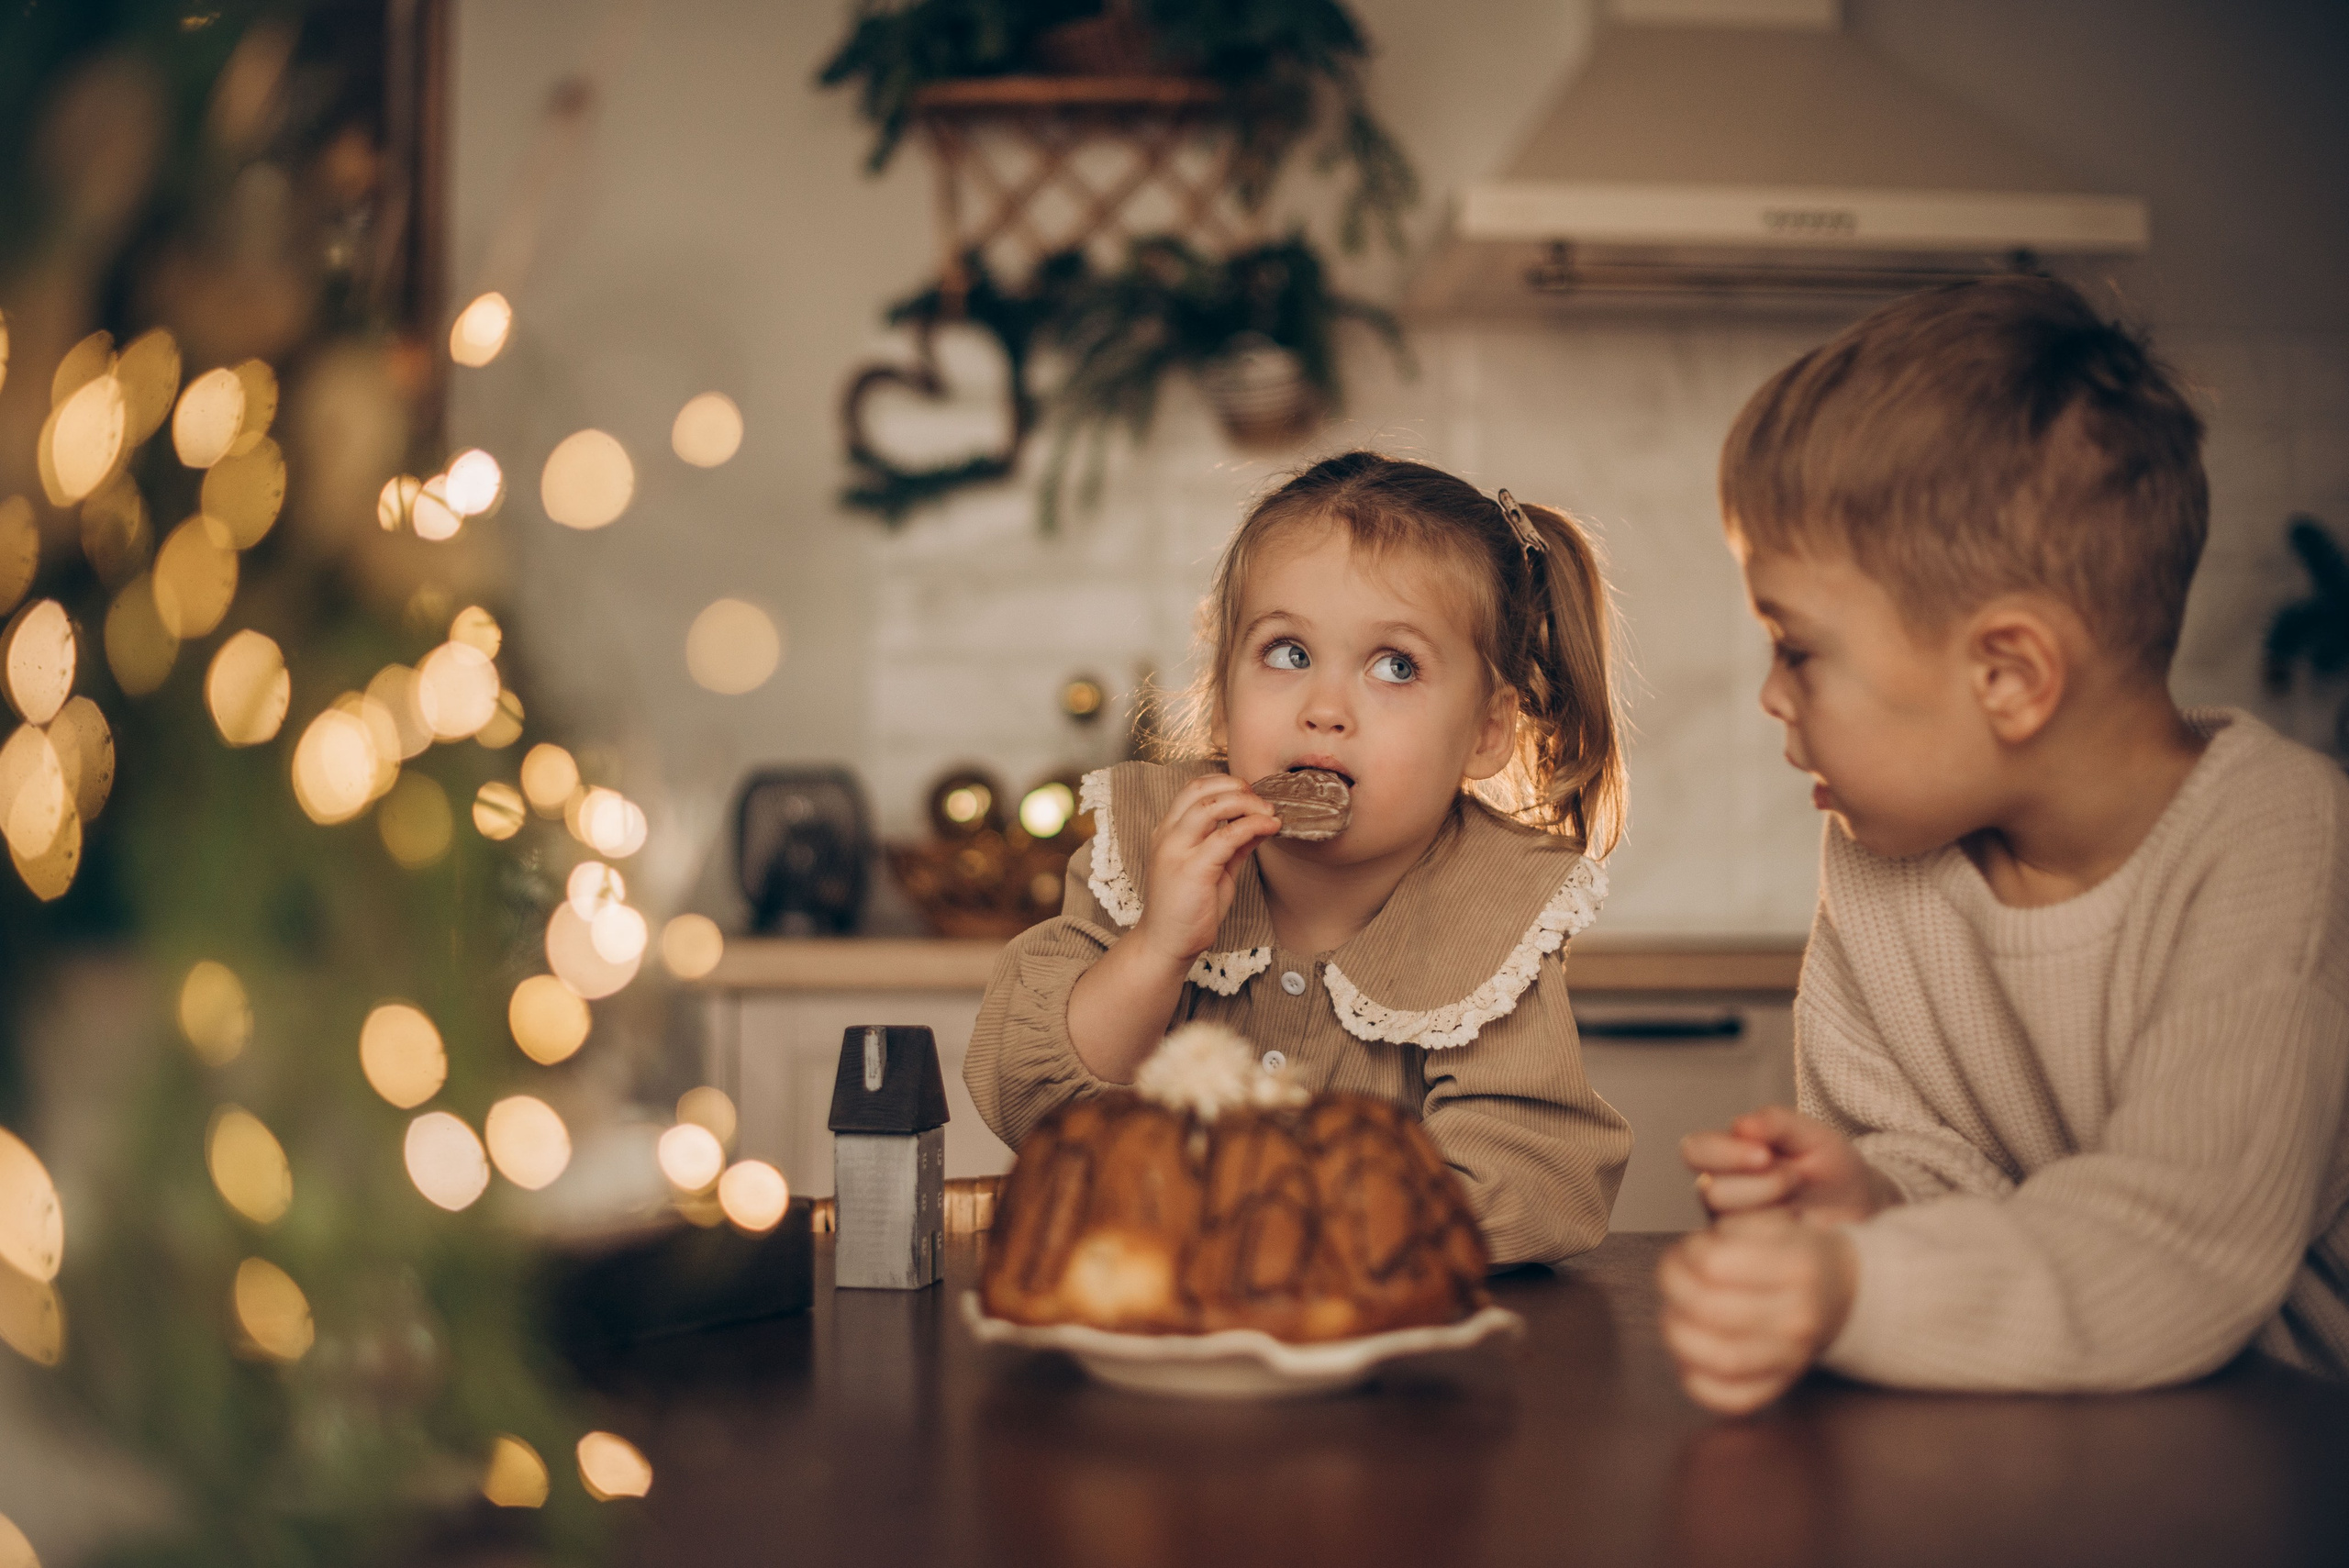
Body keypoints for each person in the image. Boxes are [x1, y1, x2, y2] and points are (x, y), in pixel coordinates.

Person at [1661, 275, 2349, 1412]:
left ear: (2008, 674)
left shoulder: (2279, 846)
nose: (1772, 697)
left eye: (1797, 649)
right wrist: (1869, 1193)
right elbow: (1966, 1177)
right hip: (2065, 1438)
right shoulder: (1882, 856)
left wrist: (1854, 1287)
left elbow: (2176, 1245)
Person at [963, 452, 1633, 1266]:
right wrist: (1156, 949)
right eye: (1287, 653)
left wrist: (1302, 1231)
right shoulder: (1145, 847)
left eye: (1395, 666)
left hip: (1379, 1347)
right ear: (1222, 691)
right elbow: (1026, 1100)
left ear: (1488, 730)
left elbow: (1534, 1180)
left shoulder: (1490, 912)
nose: (1323, 710)